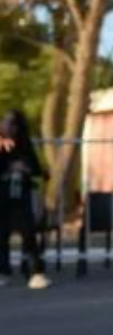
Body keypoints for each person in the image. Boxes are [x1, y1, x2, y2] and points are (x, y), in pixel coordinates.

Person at [0, 110, 50, 289]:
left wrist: (24, 169)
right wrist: (10, 167)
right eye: (5, 122)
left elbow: (38, 170)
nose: (5, 126)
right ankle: (4, 271)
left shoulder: (24, 146)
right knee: (2, 232)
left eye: (10, 123)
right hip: (3, 193)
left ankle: (37, 272)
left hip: (22, 193)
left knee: (28, 232)